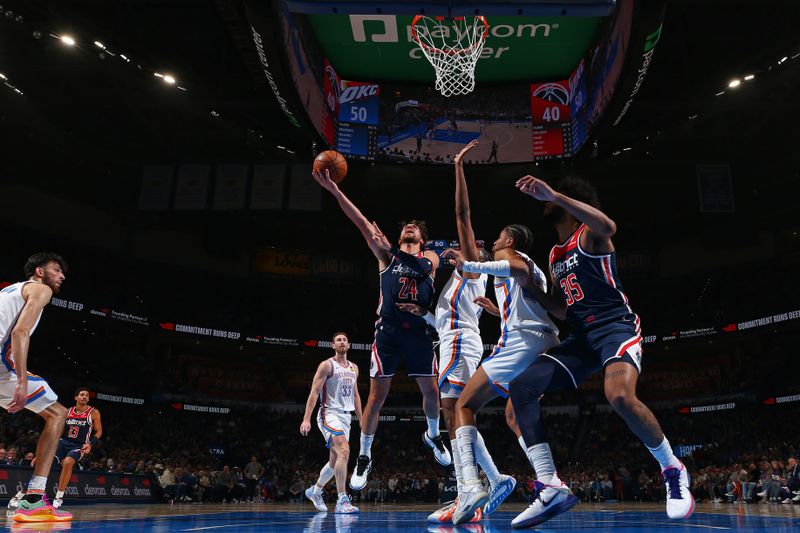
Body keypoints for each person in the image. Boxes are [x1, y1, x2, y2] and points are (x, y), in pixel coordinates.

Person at [506, 175, 694, 527]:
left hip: (615, 327)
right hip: (581, 337)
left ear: (571, 204)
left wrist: (556, 194)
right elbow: (563, 309)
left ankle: (672, 468)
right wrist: (532, 290)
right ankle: (550, 484)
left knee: (618, 396)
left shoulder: (590, 234)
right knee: (521, 387)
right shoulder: (554, 253)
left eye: (552, 201)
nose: (544, 203)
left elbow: (609, 224)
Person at [397, 141, 515, 524]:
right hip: (453, 340)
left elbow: (462, 214)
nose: (474, 244)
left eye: (480, 246)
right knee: (455, 411)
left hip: (461, 344)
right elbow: (449, 317)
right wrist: (425, 314)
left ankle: (472, 486)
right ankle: (489, 481)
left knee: (453, 411)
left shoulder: (476, 268)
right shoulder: (459, 280)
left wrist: (459, 166)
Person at [312, 169, 449, 493]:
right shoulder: (385, 257)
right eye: (405, 227)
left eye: (414, 228)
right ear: (400, 234)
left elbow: (423, 268)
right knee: (376, 398)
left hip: (418, 332)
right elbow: (360, 221)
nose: (409, 227)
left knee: (431, 393)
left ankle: (433, 434)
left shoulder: (429, 255)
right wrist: (334, 190)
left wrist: (392, 248)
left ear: (421, 238)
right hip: (387, 333)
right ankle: (364, 455)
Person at [443, 221, 562, 524]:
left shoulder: (515, 259)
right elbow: (528, 301)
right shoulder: (532, 266)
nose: (494, 241)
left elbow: (514, 268)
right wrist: (497, 312)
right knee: (514, 415)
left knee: (463, 405)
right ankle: (550, 482)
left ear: (508, 240)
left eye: (498, 237)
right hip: (544, 342)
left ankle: (470, 485)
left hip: (521, 344)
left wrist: (468, 263)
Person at [2, 253, 72, 523]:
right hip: (0, 365)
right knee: (57, 413)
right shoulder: (41, 289)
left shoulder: (11, 290)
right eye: (57, 269)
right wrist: (21, 381)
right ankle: (33, 500)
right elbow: (20, 332)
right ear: (40, 272)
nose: (62, 276)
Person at [300, 332, 362, 513]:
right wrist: (306, 418)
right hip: (329, 413)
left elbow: (356, 395)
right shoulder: (327, 365)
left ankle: (315, 491)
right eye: (338, 340)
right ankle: (342, 499)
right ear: (333, 345)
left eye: (344, 340)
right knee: (344, 450)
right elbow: (314, 392)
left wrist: (362, 418)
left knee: (335, 461)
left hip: (346, 417)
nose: (342, 342)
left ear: (348, 345)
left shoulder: (354, 368)